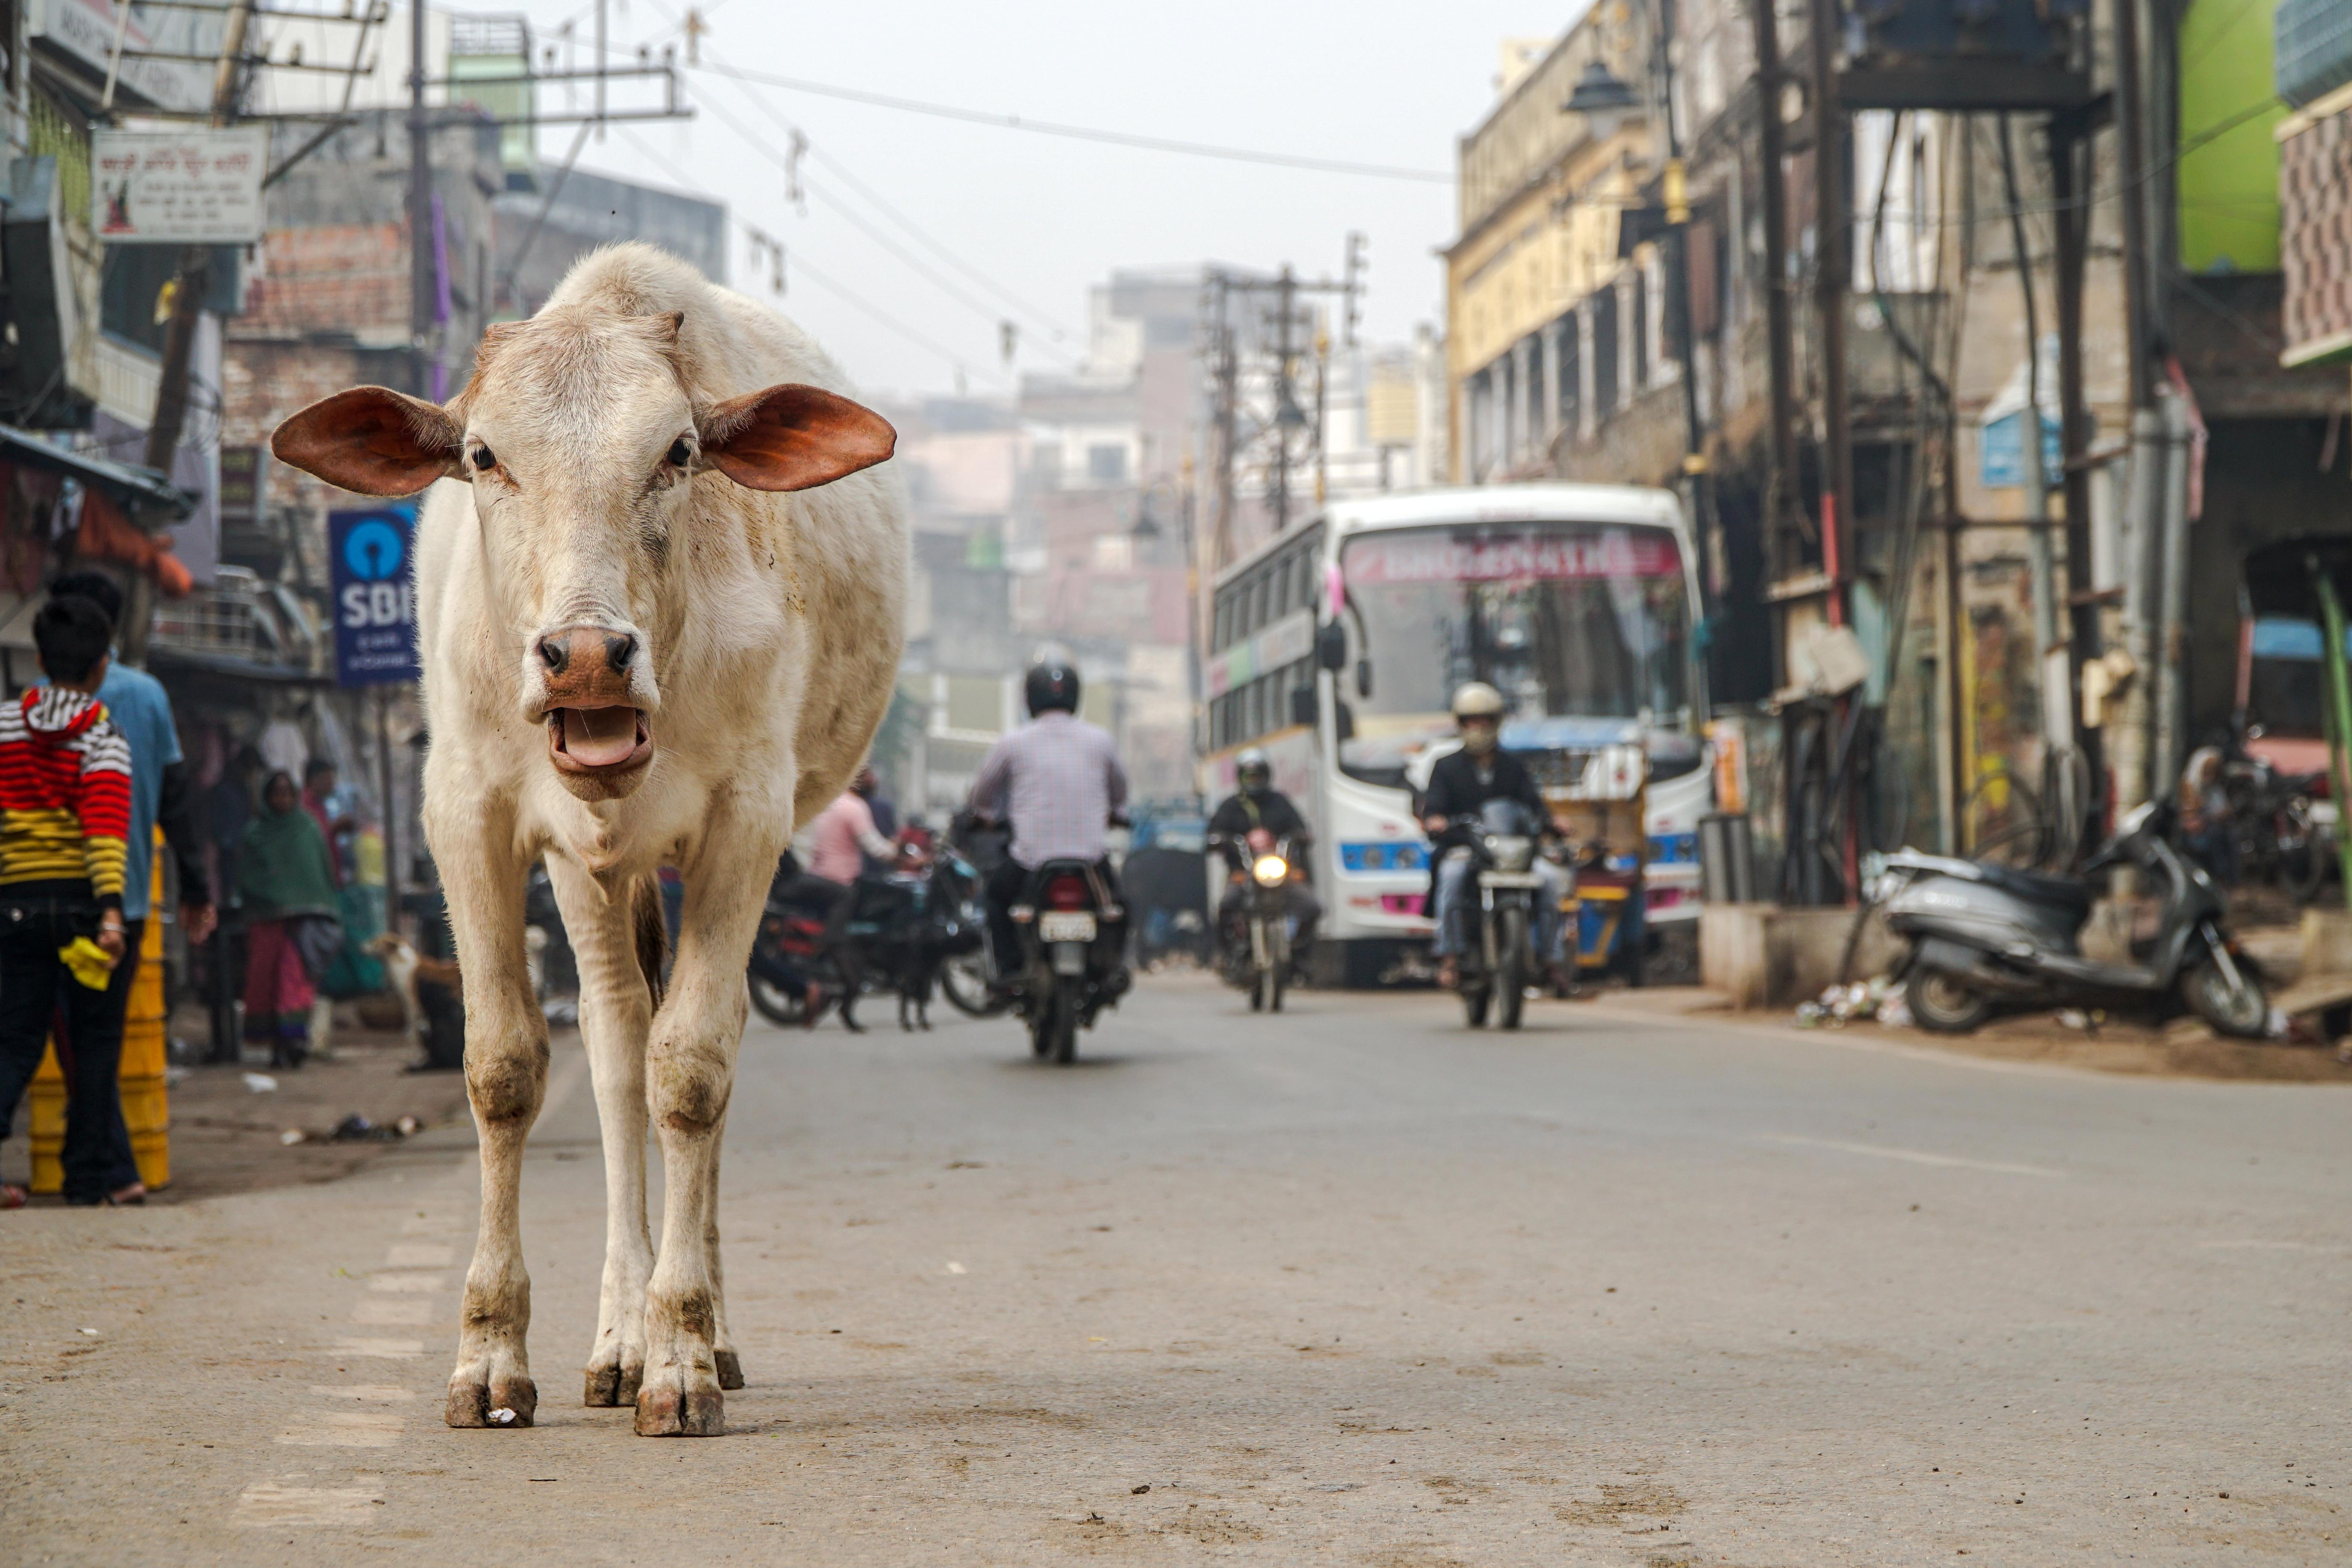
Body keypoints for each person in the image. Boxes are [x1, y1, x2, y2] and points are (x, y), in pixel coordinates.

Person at [39, 572, 216, 1205]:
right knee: (99, 1038)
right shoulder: (146, 696)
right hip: (131, 896)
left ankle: (105, 1167)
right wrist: (194, 886)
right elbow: (175, 799)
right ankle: (109, 1167)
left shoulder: (36, 702)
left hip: (47, 896)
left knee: (68, 1037)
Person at [0, 596, 135, 1209]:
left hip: (15, 907)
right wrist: (111, 912)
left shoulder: (4, 727)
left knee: (17, 1040)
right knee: (95, 1045)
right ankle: (86, 1179)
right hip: (82, 909)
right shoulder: (105, 736)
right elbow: (105, 834)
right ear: (101, 665)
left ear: (41, 659)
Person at [967, 660, 1129, 982]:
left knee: (996, 900)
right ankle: (1110, 970)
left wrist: (986, 817)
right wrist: (1117, 815)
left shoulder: (1012, 742)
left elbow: (980, 795)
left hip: (1029, 860)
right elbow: (1120, 793)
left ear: (1030, 697)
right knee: (1121, 908)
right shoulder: (1101, 740)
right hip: (1091, 860)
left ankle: (1009, 970)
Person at [1421, 681, 1572, 991]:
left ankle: (1552, 960)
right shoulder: (1446, 768)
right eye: (1470, 721)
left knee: (1549, 882)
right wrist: (1436, 821)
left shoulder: (1513, 766)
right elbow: (1434, 806)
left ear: (1496, 722)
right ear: (1460, 724)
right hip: (1467, 848)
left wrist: (1552, 821)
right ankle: (1450, 955)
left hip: (1511, 853)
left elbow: (1533, 805)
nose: (1477, 728)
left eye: (1484, 720)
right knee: (1450, 878)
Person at [238, 771, 340, 1069]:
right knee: (265, 984)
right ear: (267, 798)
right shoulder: (255, 834)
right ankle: (274, 1046)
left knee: (292, 983)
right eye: (276, 794)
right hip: (266, 925)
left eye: (287, 793)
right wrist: (274, 898)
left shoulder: (308, 828)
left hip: (301, 926)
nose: (282, 799)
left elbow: (321, 872)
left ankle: (294, 1042)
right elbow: (247, 878)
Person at [1207, 746, 1321, 974]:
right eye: (1249, 776)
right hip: (1243, 873)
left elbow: (1299, 828)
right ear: (1240, 777)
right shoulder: (1231, 806)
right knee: (1226, 906)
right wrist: (1220, 840)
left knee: (1311, 907)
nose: (1254, 781)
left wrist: (1301, 836)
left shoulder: (1280, 802)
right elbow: (1214, 833)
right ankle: (1231, 955)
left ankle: (1299, 954)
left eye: (1258, 775)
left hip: (1279, 874)